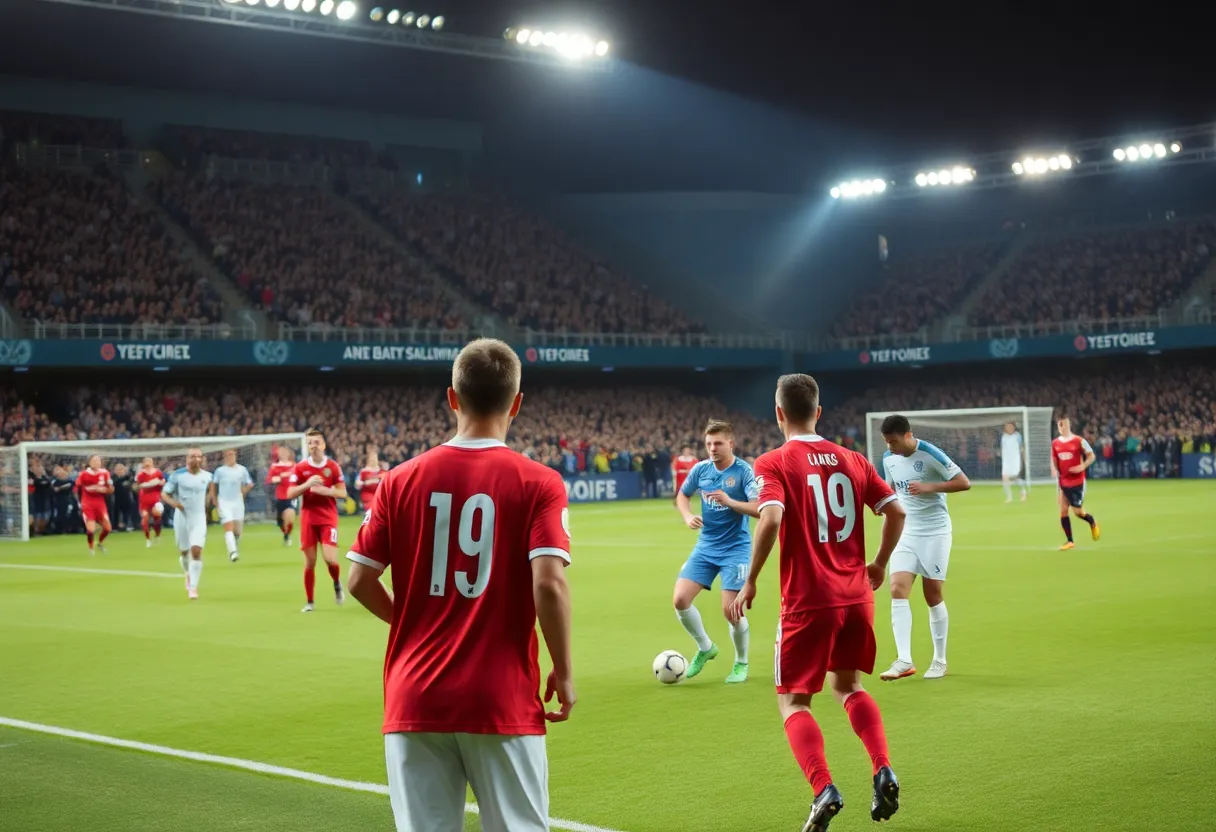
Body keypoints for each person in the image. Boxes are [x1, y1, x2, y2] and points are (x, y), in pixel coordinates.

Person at [345, 338, 574, 832]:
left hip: (415, 697)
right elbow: (550, 585)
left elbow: (358, 579)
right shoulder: (540, 482)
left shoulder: (398, 480)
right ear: (516, 403)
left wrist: (406, 619)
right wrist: (564, 669)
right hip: (502, 699)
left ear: (452, 398)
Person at [729, 373, 906, 832]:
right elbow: (897, 511)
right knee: (848, 687)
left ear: (779, 413)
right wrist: (881, 563)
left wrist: (750, 581)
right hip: (856, 596)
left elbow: (769, 519)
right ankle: (882, 767)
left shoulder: (773, 461)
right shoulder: (853, 458)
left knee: (793, 701)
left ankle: (823, 788)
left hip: (809, 600)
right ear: (819, 412)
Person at [877, 415, 971, 682]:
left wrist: (931, 486)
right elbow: (891, 488)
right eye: (887, 442)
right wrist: (884, 505)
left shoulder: (931, 454)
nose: (890, 447)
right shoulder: (888, 458)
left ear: (908, 435)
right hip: (906, 532)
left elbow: (964, 482)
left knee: (932, 594)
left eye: (893, 441)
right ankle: (904, 660)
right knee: (897, 589)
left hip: (935, 532)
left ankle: (939, 660)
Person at [673, 421, 759, 684]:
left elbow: (759, 508)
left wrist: (730, 501)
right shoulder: (701, 469)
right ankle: (705, 647)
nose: (712, 448)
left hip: (736, 548)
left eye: (718, 443)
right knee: (680, 600)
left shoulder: (744, 472)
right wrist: (687, 516)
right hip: (706, 546)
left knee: (730, 611)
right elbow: (682, 495)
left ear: (731, 444)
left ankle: (741, 663)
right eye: (709, 444)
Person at [286, 429, 346, 612]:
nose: (313, 446)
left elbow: (343, 493)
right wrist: (308, 484)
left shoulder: (333, 466)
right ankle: (310, 602)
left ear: (323, 444)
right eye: (310, 442)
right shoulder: (300, 467)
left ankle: (337, 583)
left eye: (316, 442)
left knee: (330, 559)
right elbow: (289, 493)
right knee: (310, 562)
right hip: (308, 519)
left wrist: (327, 491)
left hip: (328, 518)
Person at [161, 447, 213, 601]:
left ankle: (193, 587)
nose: (196, 459)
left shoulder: (208, 476)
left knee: (196, 551)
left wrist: (209, 504)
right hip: (181, 518)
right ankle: (188, 574)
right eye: (192, 456)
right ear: (187, 459)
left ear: (202, 459)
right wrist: (176, 504)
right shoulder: (178, 476)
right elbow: (164, 493)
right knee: (184, 552)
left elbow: (211, 492)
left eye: (199, 456)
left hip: (198, 518)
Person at [1051, 416, 1099, 550]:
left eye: (1064, 424)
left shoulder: (1079, 441)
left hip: (1077, 482)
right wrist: (1056, 475)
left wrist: (1082, 466)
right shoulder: (1055, 443)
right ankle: (1070, 541)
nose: (1062, 427)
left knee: (1078, 512)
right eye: (1060, 425)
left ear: (1069, 425)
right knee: (1063, 511)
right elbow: (1055, 461)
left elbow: (1092, 456)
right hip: (1064, 482)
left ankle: (1092, 522)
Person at [210, 448, 254, 562]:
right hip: (224, 502)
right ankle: (232, 552)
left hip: (238, 502)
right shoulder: (220, 471)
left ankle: (235, 544)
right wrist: (214, 500)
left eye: (232, 454)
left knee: (237, 531)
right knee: (228, 527)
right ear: (224, 457)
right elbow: (213, 485)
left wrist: (243, 491)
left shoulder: (242, 470)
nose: (231, 457)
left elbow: (249, 483)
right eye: (228, 455)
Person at [74, 454, 114, 556]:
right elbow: (76, 487)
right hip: (87, 503)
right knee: (91, 529)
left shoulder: (105, 473)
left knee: (108, 528)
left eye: (99, 460)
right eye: (95, 460)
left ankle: (100, 544)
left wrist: (106, 490)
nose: (97, 462)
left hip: (100, 504)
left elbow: (111, 488)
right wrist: (78, 501)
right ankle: (91, 549)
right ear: (90, 462)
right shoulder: (84, 474)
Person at [266, 445, 298, 547]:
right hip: (279, 496)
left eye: (285, 452)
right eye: (281, 452)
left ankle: (288, 535)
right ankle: (285, 534)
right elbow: (269, 480)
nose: (283, 454)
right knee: (281, 521)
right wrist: (279, 477)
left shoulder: (294, 466)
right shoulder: (274, 466)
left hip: (291, 496)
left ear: (288, 454)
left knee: (290, 516)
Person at [135, 457, 166, 547]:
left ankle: (157, 535)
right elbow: (140, 486)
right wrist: (153, 482)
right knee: (145, 519)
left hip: (155, 500)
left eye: (150, 461)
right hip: (144, 501)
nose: (148, 463)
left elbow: (162, 482)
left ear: (153, 463)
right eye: (146, 462)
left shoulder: (158, 472)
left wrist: (159, 482)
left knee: (157, 519)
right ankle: (148, 539)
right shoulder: (141, 475)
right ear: (143, 464)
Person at [1000, 422, 1026, 503]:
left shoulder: (1017, 436)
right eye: (1007, 427)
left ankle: (1023, 492)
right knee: (1005, 478)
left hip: (1015, 460)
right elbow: (1002, 448)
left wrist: (1024, 459)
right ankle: (1009, 498)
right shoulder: (1004, 437)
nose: (1009, 428)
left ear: (1014, 427)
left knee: (1015, 478)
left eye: (1011, 427)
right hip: (1006, 461)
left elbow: (1021, 448)